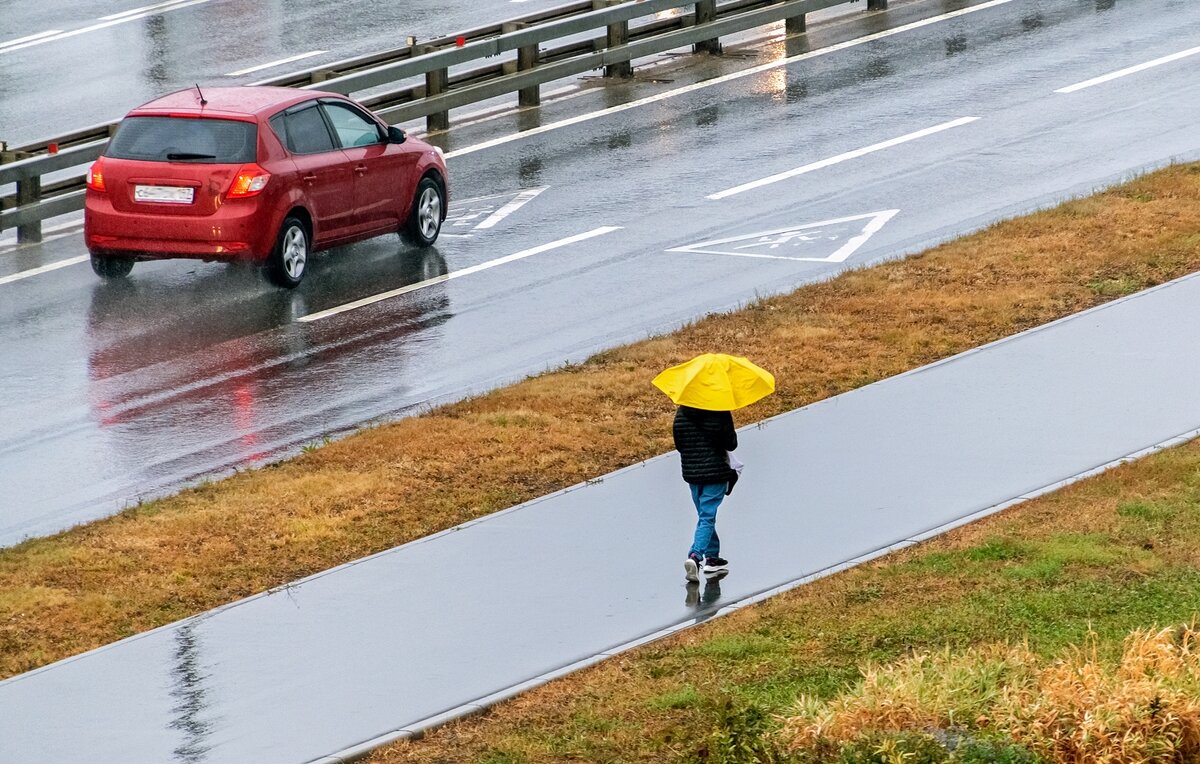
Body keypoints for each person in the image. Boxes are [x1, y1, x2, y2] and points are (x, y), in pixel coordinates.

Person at [672, 404, 738, 582]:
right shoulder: (720, 410)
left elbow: (679, 445)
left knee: (704, 517)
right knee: (707, 517)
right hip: (715, 473)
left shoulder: (682, 413)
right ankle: (695, 555)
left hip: (692, 474)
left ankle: (712, 558)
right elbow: (731, 444)